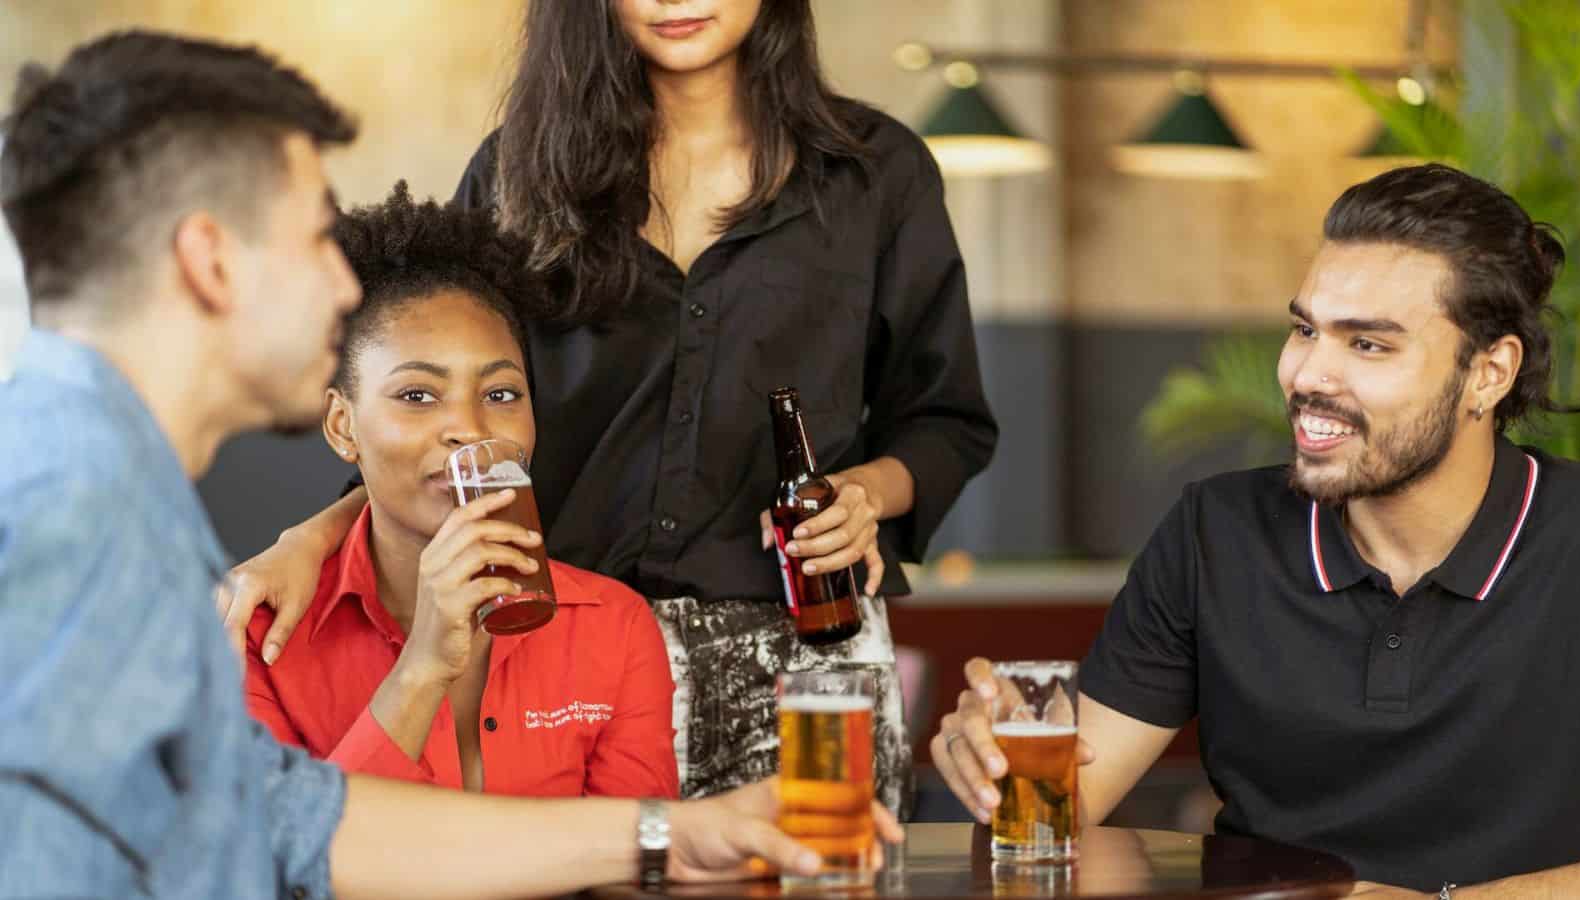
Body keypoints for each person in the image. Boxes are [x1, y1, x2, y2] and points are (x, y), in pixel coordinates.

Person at [0, 30, 896, 899]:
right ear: (211, 260)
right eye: (317, 237)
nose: (346, 287)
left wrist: (667, 833)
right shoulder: (73, 507)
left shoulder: (93, 475)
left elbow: (283, 821)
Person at [220, 0, 998, 808]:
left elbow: (947, 420)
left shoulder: (877, 173)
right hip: (563, 652)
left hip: (803, 661)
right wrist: (312, 537)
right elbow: (447, 419)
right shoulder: (517, 171)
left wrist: (869, 491)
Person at [932, 163, 1580, 896]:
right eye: (1305, 328)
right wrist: (1001, 765)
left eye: (1368, 345)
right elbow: (1064, 798)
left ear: (1488, 373)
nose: (1309, 374)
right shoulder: (1215, 530)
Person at [243, 182, 677, 798]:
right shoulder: (259, 638)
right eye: (418, 396)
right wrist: (421, 669)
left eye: (501, 395)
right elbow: (287, 874)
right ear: (343, 426)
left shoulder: (614, 627)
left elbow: (632, 867)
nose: (470, 431)